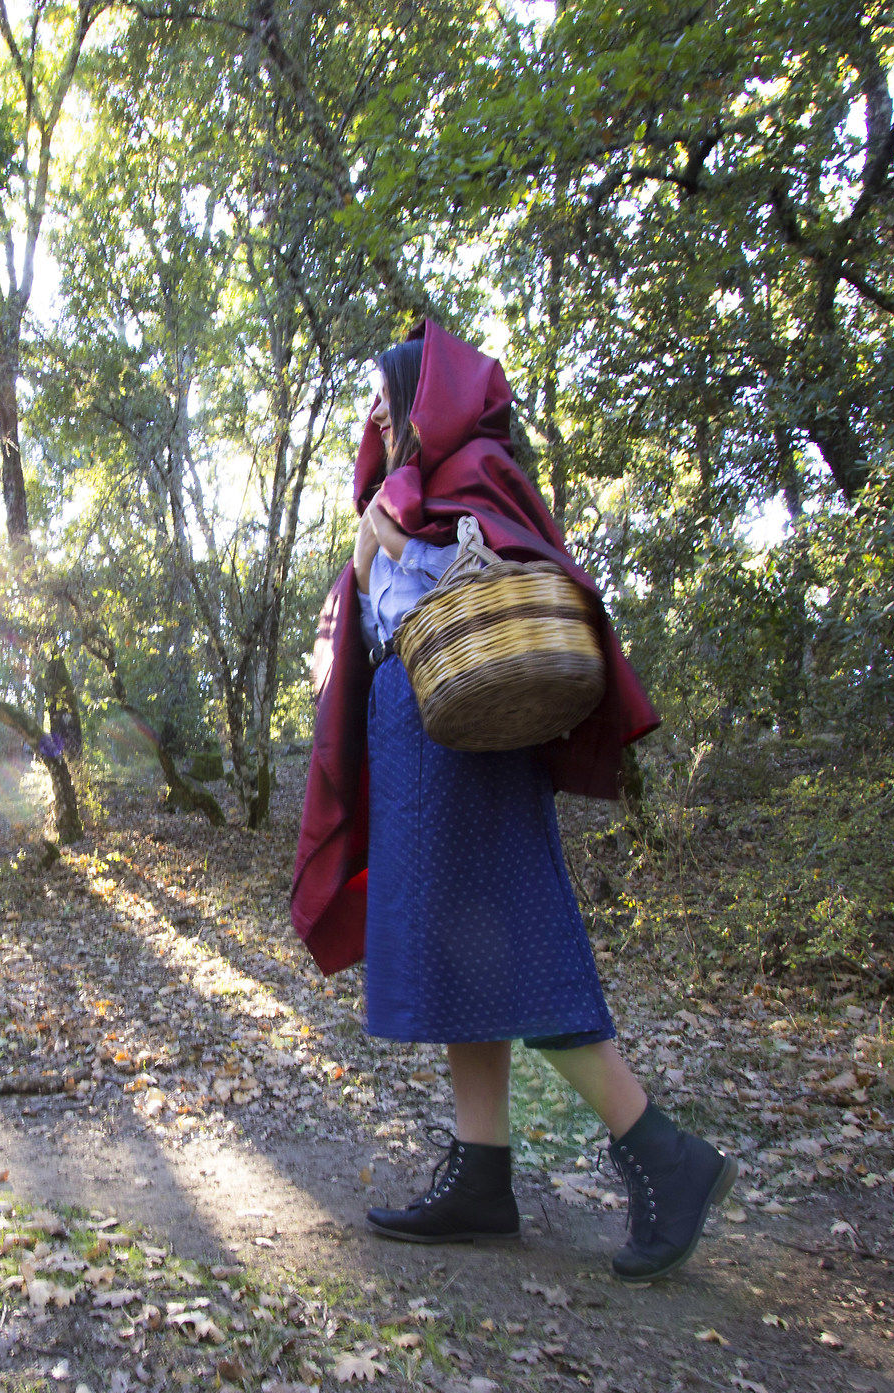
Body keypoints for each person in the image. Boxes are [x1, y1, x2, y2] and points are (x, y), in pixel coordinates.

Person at [291, 322, 737, 1282]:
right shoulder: (398, 493)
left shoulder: (474, 469)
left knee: (519, 939)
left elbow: (488, 577)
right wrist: (370, 550)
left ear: (422, 398)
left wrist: (395, 538)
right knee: (465, 951)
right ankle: (483, 1173)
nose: (371, 416)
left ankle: (662, 1152)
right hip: (420, 742)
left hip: (470, 738)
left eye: (383, 396)